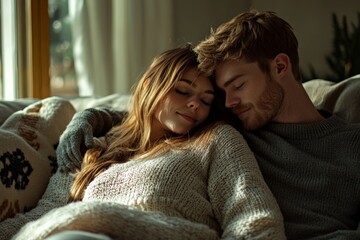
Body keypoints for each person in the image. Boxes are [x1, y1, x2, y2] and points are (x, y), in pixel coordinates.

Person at [55, 10, 360, 240]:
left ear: (280, 66)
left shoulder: (352, 145)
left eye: (237, 85)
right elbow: (152, 114)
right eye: (222, 93)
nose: (228, 102)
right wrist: (86, 118)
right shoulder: (230, 129)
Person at [5, 44, 286, 240]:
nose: (194, 105)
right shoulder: (92, 147)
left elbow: (254, 217)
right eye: (182, 90)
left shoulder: (215, 140)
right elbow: (42, 214)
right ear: (151, 84)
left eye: (205, 100)